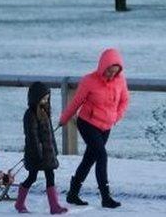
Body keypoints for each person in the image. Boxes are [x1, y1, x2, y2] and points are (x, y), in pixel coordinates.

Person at [59, 48, 129, 209]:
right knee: (102, 155)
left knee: (89, 159)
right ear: (103, 66)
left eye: (115, 72)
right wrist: (64, 119)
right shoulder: (89, 80)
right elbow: (76, 102)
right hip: (87, 123)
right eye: (110, 71)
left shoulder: (120, 81)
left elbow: (125, 101)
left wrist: (116, 117)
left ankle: (72, 193)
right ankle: (106, 197)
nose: (112, 74)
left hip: (106, 126)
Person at [16, 81, 67, 214]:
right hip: (35, 154)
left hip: (48, 153)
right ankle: (19, 203)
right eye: (43, 98)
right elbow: (32, 136)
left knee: (50, 176)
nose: (45, 100)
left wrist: (54, 150)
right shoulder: (30, 114)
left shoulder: (45, 112)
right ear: (35, 98)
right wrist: (37, 153)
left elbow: (50, 135)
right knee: (32, 177)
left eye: (47, 98)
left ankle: (54, 206)